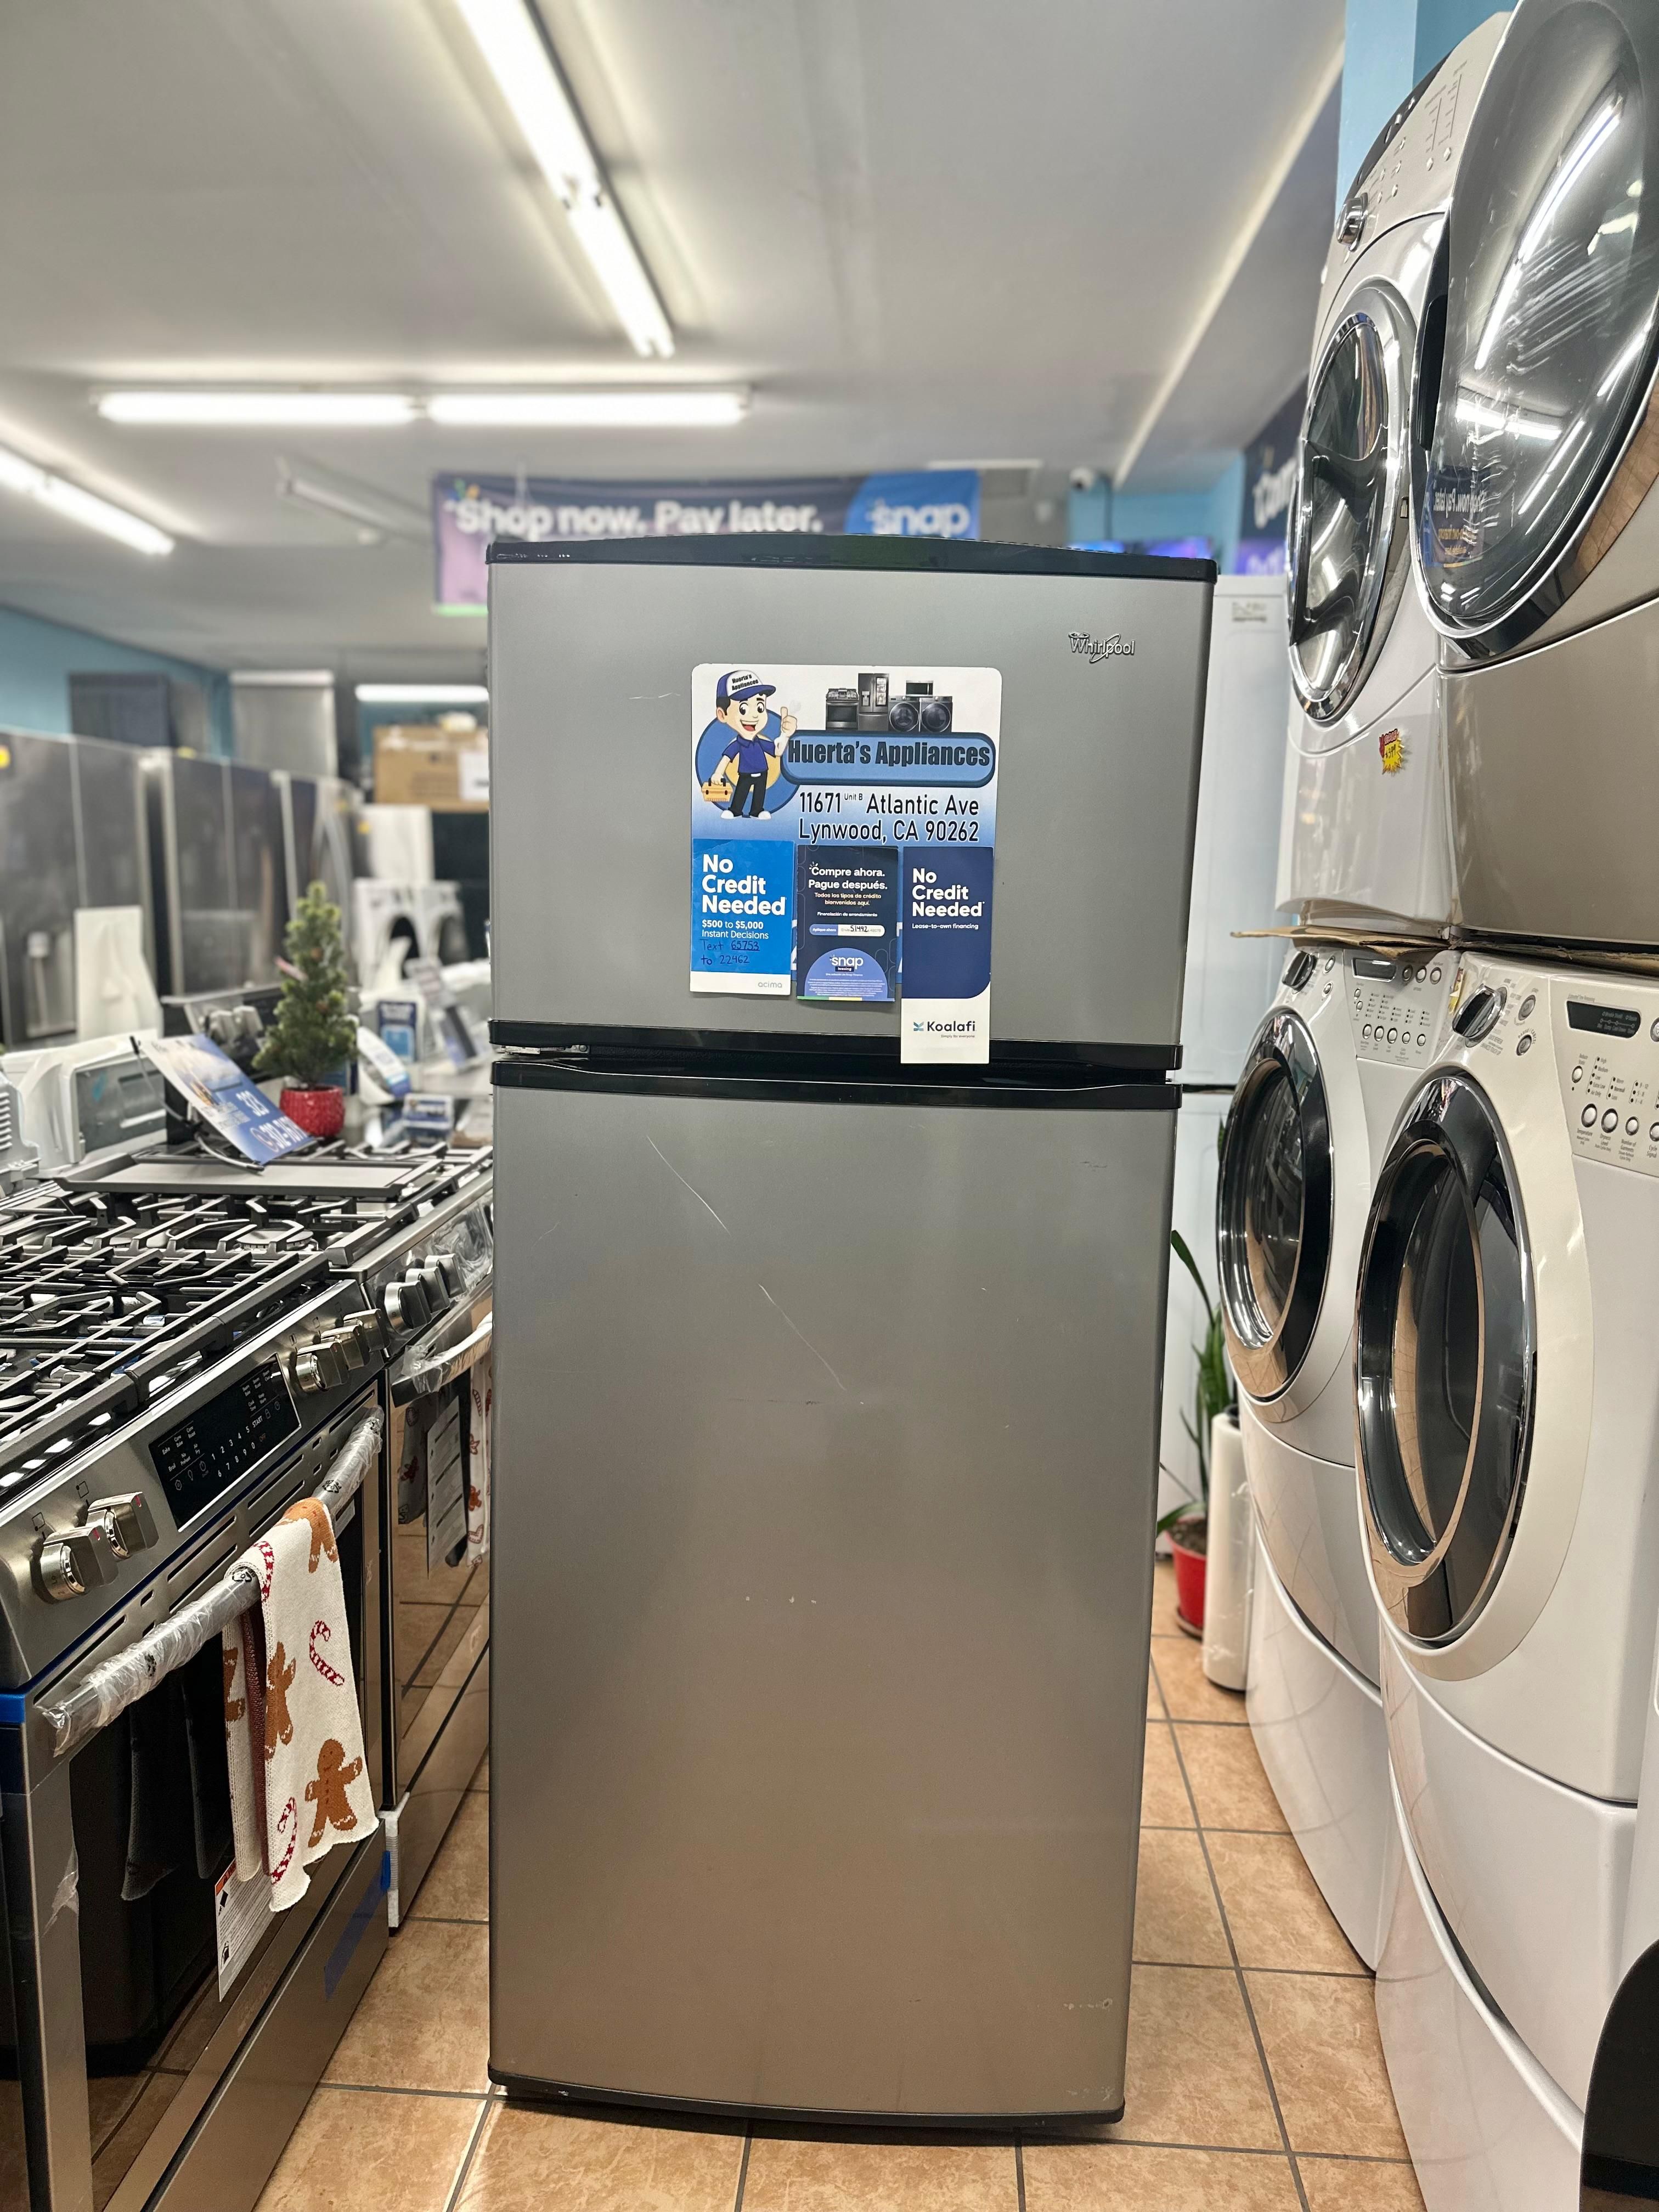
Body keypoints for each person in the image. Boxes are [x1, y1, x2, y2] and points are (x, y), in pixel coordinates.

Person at [704, 669, 795, 819]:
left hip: (763, 772)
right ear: (723, 715)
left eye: (760, 708)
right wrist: (718, 774)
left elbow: (777, 752)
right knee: (741, 792)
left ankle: (757, 810)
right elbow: (727, 758)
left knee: (760, 794)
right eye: (744, 709)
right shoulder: (738, 743)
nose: (754, 715)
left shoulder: (760, 741)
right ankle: (735, 810)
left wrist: (786, 735)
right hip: (745, 774)